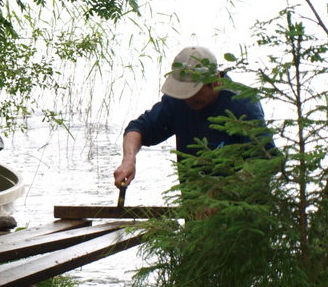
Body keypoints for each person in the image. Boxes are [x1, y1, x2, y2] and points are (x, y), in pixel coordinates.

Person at [113, 45, 274, 190]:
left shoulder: (243, 104)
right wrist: (129, 159)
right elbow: (139, 128)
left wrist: (223, 191)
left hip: (243, 210)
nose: (189, 99)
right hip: (195, 207)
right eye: (183, 93)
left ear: (216, 81)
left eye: (194, 92)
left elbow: (265, 160)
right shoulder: (179, 101)